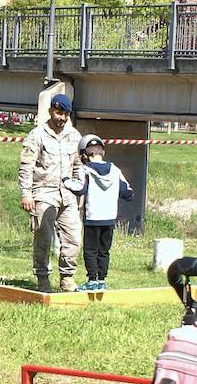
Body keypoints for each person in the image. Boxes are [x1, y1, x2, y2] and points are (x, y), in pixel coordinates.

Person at [19, 93, 83, 293]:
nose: (61, 118)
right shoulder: (37, 135)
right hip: (44, 192)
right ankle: (42, 278)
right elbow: (26, 166)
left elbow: (79, 166)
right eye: (58, 113)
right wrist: (26, 193)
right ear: (51, 111)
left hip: (68, 195)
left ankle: (67, 277)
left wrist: (79, 191)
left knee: (73, 238)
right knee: (43, 238)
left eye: (65, 114)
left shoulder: (74, 136)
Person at [65, 134, 133, 292]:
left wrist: (65, 180)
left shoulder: (85, 170)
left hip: (92, 217)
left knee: (90, 250)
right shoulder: (115, 170)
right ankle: (102, 280)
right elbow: (128, 193)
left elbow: (79, 189)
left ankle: (92, 280)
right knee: (104, 250)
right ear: (103, 152)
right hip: (109, 218)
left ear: (84, 155)